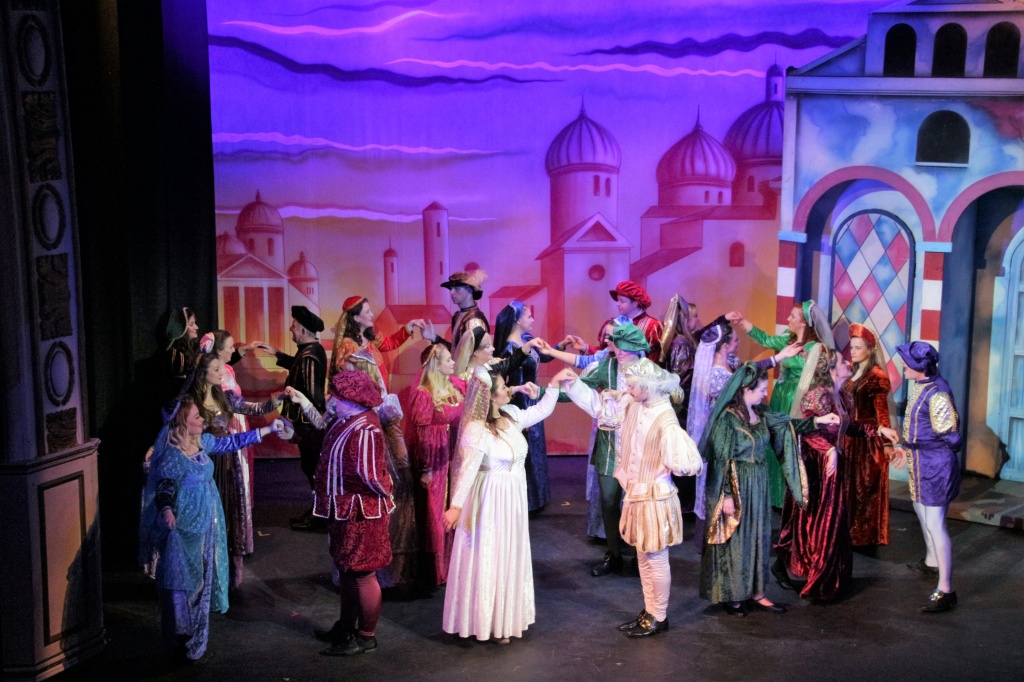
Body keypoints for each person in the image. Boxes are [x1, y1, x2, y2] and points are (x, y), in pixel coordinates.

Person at [563, 359, 703, 636]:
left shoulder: (665, 420)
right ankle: (650, 610)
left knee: (655, 558)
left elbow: (686, 464)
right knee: (643, 556)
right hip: (636, 494)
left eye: (632, 386)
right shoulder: (634, 403)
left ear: (648, 387)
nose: (627, 389)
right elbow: (601, 410)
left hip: (655, 498)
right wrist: (574, 385)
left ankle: (659, 615)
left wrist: (663, 460)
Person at [138, 397, 285, 662]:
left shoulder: (201, 443)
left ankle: (195, 640)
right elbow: (164, 488)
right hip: (183, 527)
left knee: (202, 579)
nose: (202, 421)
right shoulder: (172, 456)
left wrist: (266, 429)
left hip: (206, 521)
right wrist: (167, 510)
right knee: (182, 582)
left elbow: (231, 442)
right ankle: (180, 638)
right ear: (182, 423)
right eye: (196, 417)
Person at [441, 366, 572, 643]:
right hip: (490, 500)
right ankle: (486, 623)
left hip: (513, 499)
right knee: (490, 554)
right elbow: (467, 471)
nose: (507, 390)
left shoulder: (511, 416)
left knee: (509, 555)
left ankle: (505, 620)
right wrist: (456, 506)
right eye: (502, 387)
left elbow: (540, 411)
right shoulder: (476, 430)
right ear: (489, 396)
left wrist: (554, 384)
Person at [698, 364, 839, 616]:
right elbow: (721, 461)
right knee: (737, 540)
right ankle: (734, 595)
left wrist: (817, 420)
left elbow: (788, 425)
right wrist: (726, 496)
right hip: (737, 484)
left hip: (758, 483)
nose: (765, 393)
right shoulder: (727, 420)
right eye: (762, 389)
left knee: (758, 537)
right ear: (746, 390)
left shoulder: (761, 413)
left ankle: (757, 592)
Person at [290, 371, 395, 655]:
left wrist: (383, 492)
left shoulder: (365, 429)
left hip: (362, 512)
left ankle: (366, 636)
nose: (331, 399)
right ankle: (346, 627)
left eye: (335, 395)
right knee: (347, 570)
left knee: (362, 572)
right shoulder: (346, 420)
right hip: (345, 509)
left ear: (351, 399)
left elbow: (371, 475)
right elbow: (323, 436)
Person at [686, 324, 799, 547]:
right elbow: (742, 381)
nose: (738, 344)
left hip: (740, 433)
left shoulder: (730, 363)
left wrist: (780, 357)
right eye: (735, 340)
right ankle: (716, 539)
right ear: (724, 346)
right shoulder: (715, 375)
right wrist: (778, 358)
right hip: (726, 432)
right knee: (722, 480)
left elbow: (749, 371)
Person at [559, 324, 650, 577]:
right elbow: (579, 388)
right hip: (610, 446)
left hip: (638, 448)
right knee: (609, 501)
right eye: (616, 346)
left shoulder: (650, 370)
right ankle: (614, 553)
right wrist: (544, 393)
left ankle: (639, 555)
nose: (619, 351)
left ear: (637, 348)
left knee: (637, 503)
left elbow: (673, 395)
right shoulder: (606, 367)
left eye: (625, 347)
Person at [879, 342, 961, 613]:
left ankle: (946, 589)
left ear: (920, 367)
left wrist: (922, 449)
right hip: (921, 462)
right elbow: (918, 427)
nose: (903, 367)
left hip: (935, 465)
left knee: (936, 523)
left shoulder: (937, 393)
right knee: (920, 510)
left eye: (907, 364)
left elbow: (951, 436)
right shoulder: (922, 385)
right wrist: (907, 447)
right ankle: (932, 562)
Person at [728, 301, 835, 507]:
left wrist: (807, 360)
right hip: (780, 394)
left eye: (793, 316)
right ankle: (775, 496)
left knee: (790, 441)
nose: (788, 319)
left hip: (797, 397)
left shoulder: (815, 348)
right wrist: (742, 322)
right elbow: (766, 339)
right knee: (774, 440)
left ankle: (790, 495)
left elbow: (821, 375)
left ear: (804, 323)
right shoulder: (788, 339)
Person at [191, 340, 279, 587]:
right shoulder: (192, 403)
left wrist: (280, 398)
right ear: (203, 374)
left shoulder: (225, 397)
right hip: (202, 465)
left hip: (226, 463)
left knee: (228, 515)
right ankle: (202, 574)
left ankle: (226, 575)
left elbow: (254, 408)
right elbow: (172, 423)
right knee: (204, 518)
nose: (223, 373)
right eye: (217, 370)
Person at [772, 349, 854, 602]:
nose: (849, 362)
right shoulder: (818, 396)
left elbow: (848, 426)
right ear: (831, 369)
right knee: (816, 521)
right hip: (815, 466)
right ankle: (818, 577)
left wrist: (879, 431)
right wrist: (828, 450)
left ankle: (827, 574)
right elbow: (803, 429)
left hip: (833, 464)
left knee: (830, 520)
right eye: (843, 361)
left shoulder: (844, 395)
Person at [252, 305, 327, 530]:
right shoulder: (309, 352)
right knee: (309, 467)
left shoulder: (310, 356)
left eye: (294, 326)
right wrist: (276, 353)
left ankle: (320, 515)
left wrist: (313, 423)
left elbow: (312, 395)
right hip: (307, 423)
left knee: (312, 468)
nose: (290, 329)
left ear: (303, 330)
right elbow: (297, 364)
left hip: (308, 424)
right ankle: (316, 510)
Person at [409, 343, 467, 586]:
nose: (453, 363)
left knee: (454, 505)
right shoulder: (424, 393)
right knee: (435, 513)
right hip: (435, 457)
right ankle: (436, 571)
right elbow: (421, 434)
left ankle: (455, 564)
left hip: (453, 454)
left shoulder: (454, 386)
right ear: (436, 364)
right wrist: (425, 468)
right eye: (448, 360)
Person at [493, 301, 555, 512]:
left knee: (535, 450)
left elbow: (544, 355)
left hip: (532, 398)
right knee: (525, 451)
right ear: (518, 320)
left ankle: (537, 498)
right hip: (520, 401)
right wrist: (521, 412)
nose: (533, 319)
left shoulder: (527, 339)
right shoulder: (509, 349)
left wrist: (561, 346)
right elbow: (507, 378)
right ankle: (525, 501)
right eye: (529, 316)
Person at [842, 324, 894, 547]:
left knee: (864, 487)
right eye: (851, 347)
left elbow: (881, 411)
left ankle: (864, 535)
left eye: (858, 347)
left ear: (870, 350)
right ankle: (846, 530)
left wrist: (886, 444)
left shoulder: (876, 377)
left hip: (867, 441)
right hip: (849, 437)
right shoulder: (850, 371)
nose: (852, 351)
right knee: (848, 486)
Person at [327, 295, 428, 386]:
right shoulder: (348, 345)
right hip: (365, 395)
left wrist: (411, 324)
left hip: (380, 393)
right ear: (356, 318)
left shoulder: (371, 339)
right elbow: (347, 378)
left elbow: (391, 342)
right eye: (367, 312)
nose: (372, 315)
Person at [601, 281, 664, 363]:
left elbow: (654, 360)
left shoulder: (652, 326)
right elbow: (603, 353)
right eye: (617, 300)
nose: (617, 304)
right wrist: (586, 348)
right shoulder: (612, 323)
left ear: (634, 303)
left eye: (622, 301)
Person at [440, 270, 489, 348]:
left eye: (457, 288)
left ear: (470, 289)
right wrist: (434, 338)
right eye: (451, 288)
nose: (451, 292)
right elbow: (457, 351)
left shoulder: (474, 321)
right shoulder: (458, 316)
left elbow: (476, 354)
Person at [164, 307, 199, 394]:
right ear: (181, 328)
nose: (196, 327)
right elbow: (181, 388)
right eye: (191, 324)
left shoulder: (191, 349)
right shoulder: (177, 355)